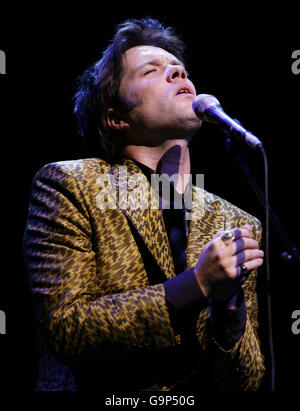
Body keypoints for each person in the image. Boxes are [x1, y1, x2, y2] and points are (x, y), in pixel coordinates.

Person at [23, 17, 265, 391]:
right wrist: (197, 283)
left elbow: (245, 381)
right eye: (152, 70)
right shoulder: (70, 184)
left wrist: (228, 309)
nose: (177, 72)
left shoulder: (234, 220)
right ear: (116, 118)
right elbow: (66, 329)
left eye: (178, 68)